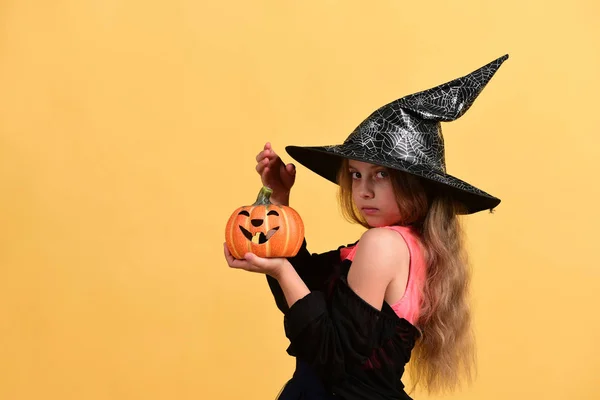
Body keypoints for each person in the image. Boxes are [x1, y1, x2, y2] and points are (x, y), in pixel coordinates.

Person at [224, 54, 509, 400]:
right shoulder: (408, 245)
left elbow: (330, 356)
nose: (363, 190)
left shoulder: (382, 245)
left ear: (417, 183)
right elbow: (309, 294)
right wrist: (280, 202)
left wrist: (282, 270)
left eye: (381, 175)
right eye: (356, 174)